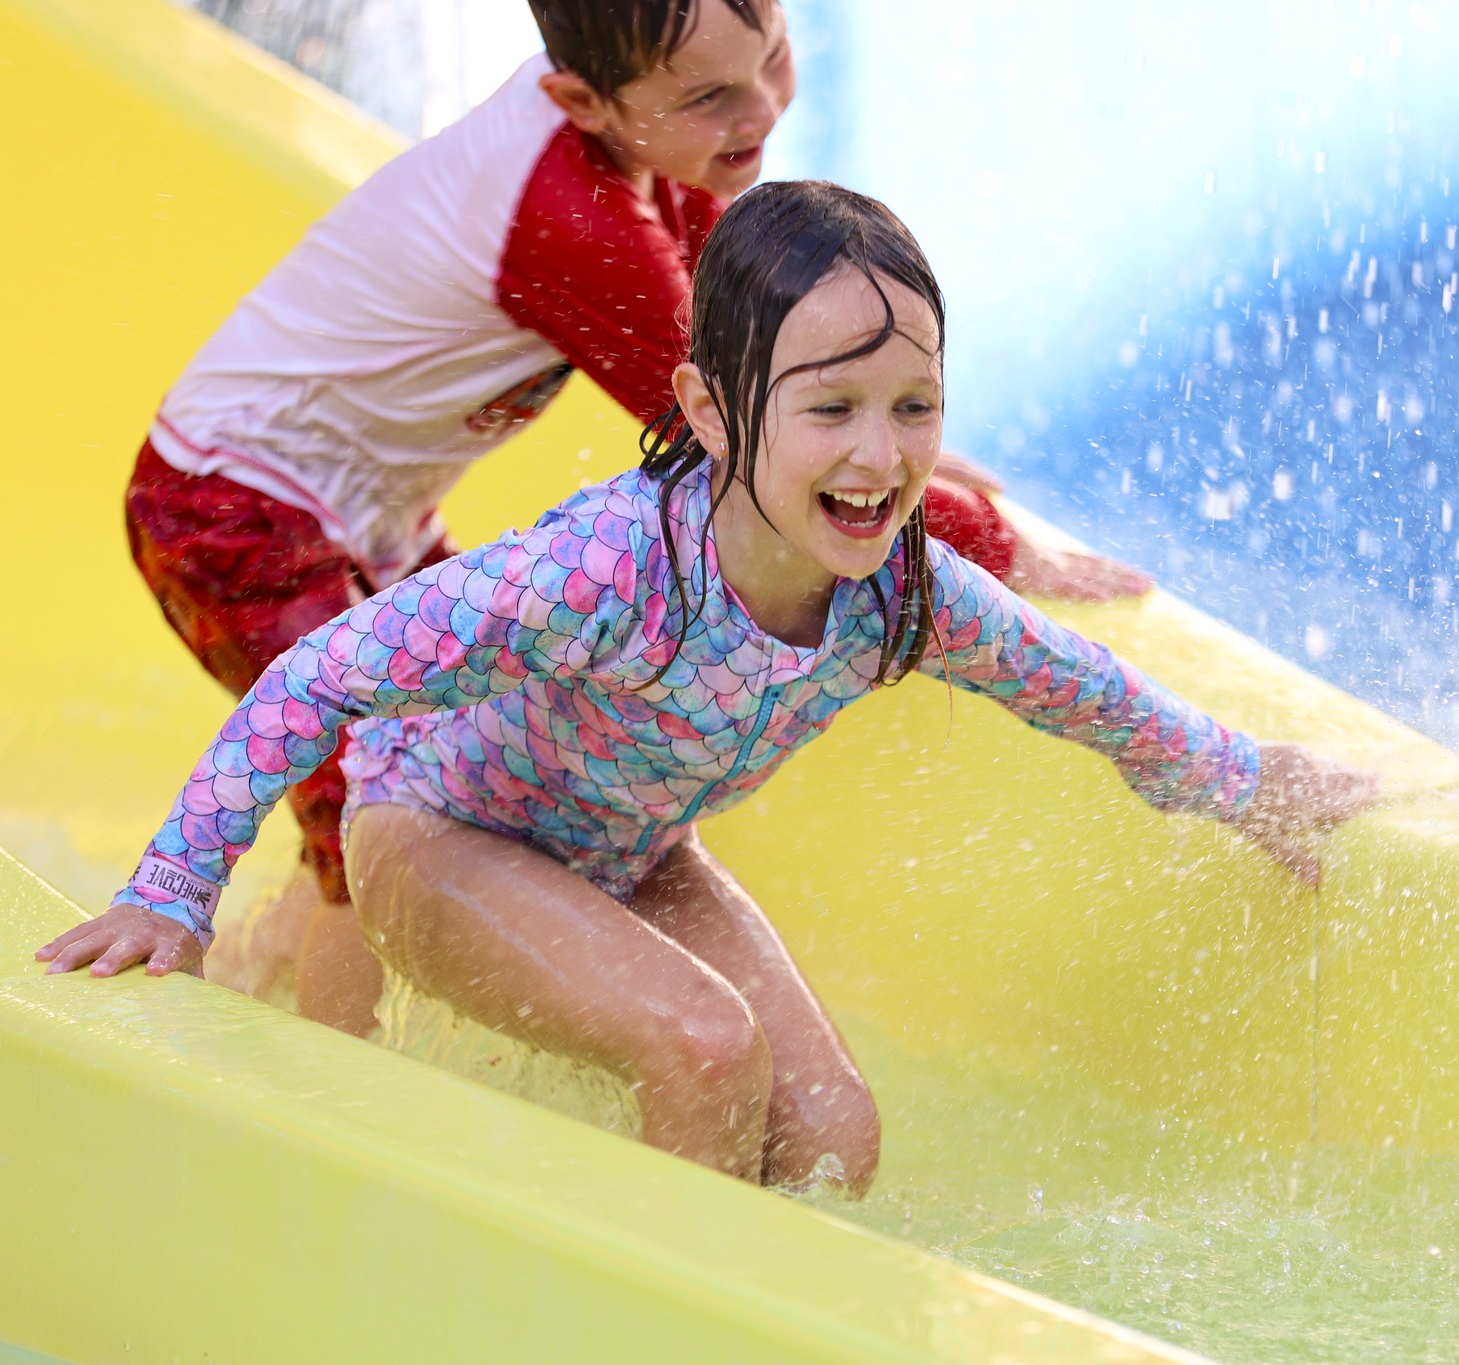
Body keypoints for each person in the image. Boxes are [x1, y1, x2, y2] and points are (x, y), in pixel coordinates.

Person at [50, 182, 1374, 1193]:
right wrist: (173, 889)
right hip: (440, 830)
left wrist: (1253, 788)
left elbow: (1083, 692)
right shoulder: (603, 572)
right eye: (832, 406)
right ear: (716, 408)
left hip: (626, 850)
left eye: (915, 406)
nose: (880, 453)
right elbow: (321, 674)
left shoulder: (900, 592)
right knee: (702, 1043)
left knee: (834, 1145)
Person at [128, 0, 1151, 1034]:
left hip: (362, 511)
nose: (759, 109)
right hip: (233, 508)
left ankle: (260, 979)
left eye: (777, 57)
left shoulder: (649, 124)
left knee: (413, 758)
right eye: (712, 95)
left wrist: (881, 419)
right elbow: (749, 435)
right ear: (580, 99)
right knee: (358, 806)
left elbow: (749, 336)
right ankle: (318, 1094)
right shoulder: (564, 217)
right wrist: (989, 540)